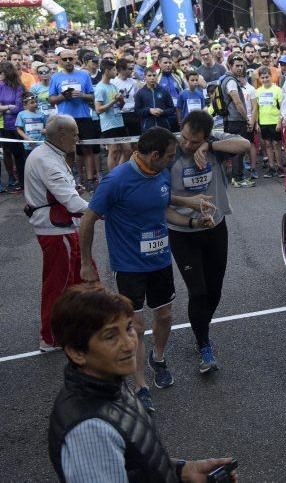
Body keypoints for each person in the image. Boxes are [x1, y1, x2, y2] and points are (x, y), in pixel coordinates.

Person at [79, 127, 213, 413]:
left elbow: (161, 206)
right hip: (128, 266)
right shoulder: (115, 181)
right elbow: (88, 220)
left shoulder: (160, 172)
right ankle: (140, 385)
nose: (171, 160)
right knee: (136, 326)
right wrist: (85, 263)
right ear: (153, 155)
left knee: (164, 315)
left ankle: (158, 358)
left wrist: (192, 221)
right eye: (167, 156)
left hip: (160, 261)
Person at [48, 284, 238, 482]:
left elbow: (133, 461)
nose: (130, 344)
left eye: (128, 328)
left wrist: (182, 471)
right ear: (77, 352)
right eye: (111, 336)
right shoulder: (89, 433)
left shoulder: (108, 382)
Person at [168, 111, 250, 374]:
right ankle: (204, 344)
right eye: (186, 137)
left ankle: (201, 326)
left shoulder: (214, 145)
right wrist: (188, 214)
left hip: (214, 227)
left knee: (214, 291)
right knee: (198, 292)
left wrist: (209, 146)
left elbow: (245, 144)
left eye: (195, 141)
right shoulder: (170, 148)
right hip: (183, 231)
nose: (187, 144)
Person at [23, 115, 93, 351]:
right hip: (55, 230)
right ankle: (50, 336)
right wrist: (100, 210)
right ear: (61, 135)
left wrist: (73, 189)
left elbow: (65, 192)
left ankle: (78, 325)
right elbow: (72, 203)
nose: (77, 138)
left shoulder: (48, 154)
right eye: (74, 134)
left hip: (60, 228)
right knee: (59, 285)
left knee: (81, 277)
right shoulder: (48, 160)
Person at [221, 54, 255, 188]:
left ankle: (236, 177)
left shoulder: (227, 79)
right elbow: (237, 102)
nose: (240, 68)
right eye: (237, 66)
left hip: (231, 119)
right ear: (230, 66)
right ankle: (238, 178)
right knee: (238, 150)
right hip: (235, 120)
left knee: (235, 150)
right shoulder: (231, 81)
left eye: (242, 66)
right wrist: (247, 118)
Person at [94, 59, 130, 170]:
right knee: (113, 151)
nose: (116, 72)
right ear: (106, 71)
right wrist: (114, 101)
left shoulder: (113, 86)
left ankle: (119, 171)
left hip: (119, 121)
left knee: (128, 150)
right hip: (108, 124)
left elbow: (120, 106)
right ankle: (113, 176)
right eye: (114, 70)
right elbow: (98, 109)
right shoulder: (100, 88)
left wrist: (121, 100)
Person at [0, 60, 25, 192]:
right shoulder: (0, 86)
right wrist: (9, 107)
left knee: (21, 155)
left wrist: (4, 108)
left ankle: (24, 181)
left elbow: (19, 108)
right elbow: (13, 107)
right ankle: (18, 181)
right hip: (7, 126)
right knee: (12, 154)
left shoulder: (18, 86)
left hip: (18, 125)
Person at [255, 66, 283, 177]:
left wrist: (279, 122)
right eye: (262, 78)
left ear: (271, 77)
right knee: (267, 145)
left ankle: (280, 167)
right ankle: (271, 167)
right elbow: (256, 109)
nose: (265, 79)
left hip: (275, 121)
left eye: (267, 77)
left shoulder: (278, 90)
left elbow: (282, 107)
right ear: (259, 79)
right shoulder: (257, 91)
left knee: (277, 144)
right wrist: (257, 123)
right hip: (263, 122)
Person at [134, 67, 176, 132]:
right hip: (148, 128)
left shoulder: (164, 91)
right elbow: (137, 111)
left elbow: (172, 109)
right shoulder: (140, 93)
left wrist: (163, 112)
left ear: (157, 76)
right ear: (145, 77)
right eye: (149, 75)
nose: (152, 78)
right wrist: (149, 110)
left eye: (154, 75)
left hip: (164, 127)